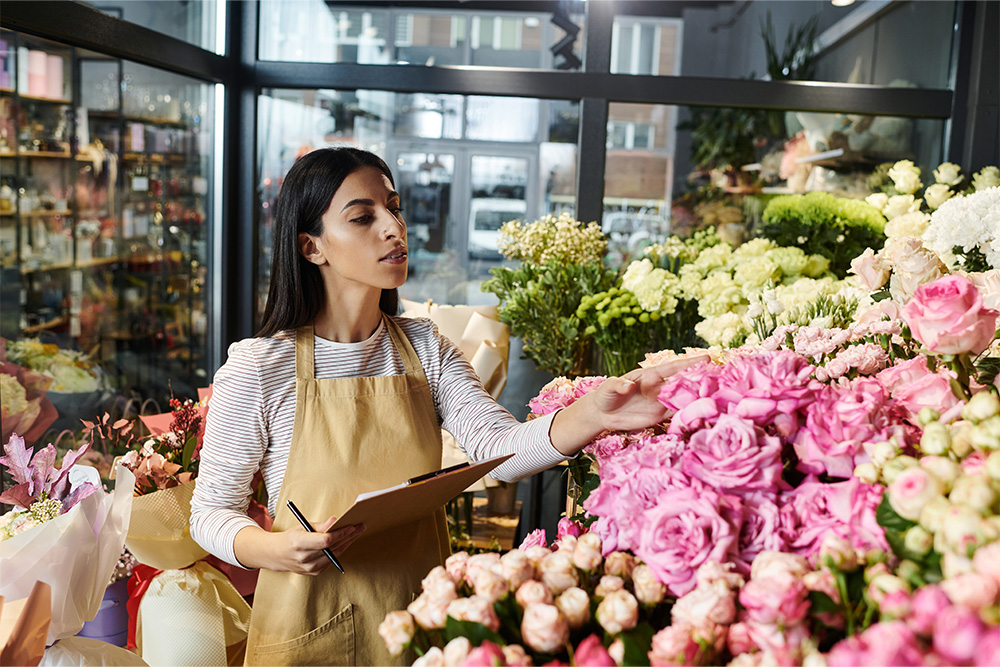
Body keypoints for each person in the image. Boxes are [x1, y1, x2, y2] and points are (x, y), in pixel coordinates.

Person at [190, 147, 704, 666]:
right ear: (312, 246)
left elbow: (499, 449)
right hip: (310, 623)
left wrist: (597, 415)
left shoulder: (425, 348)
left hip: (422, 621)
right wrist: (272, 550)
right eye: (364, 217)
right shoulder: (260, 366)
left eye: (394, 208)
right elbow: (210, 512)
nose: (394, 228)